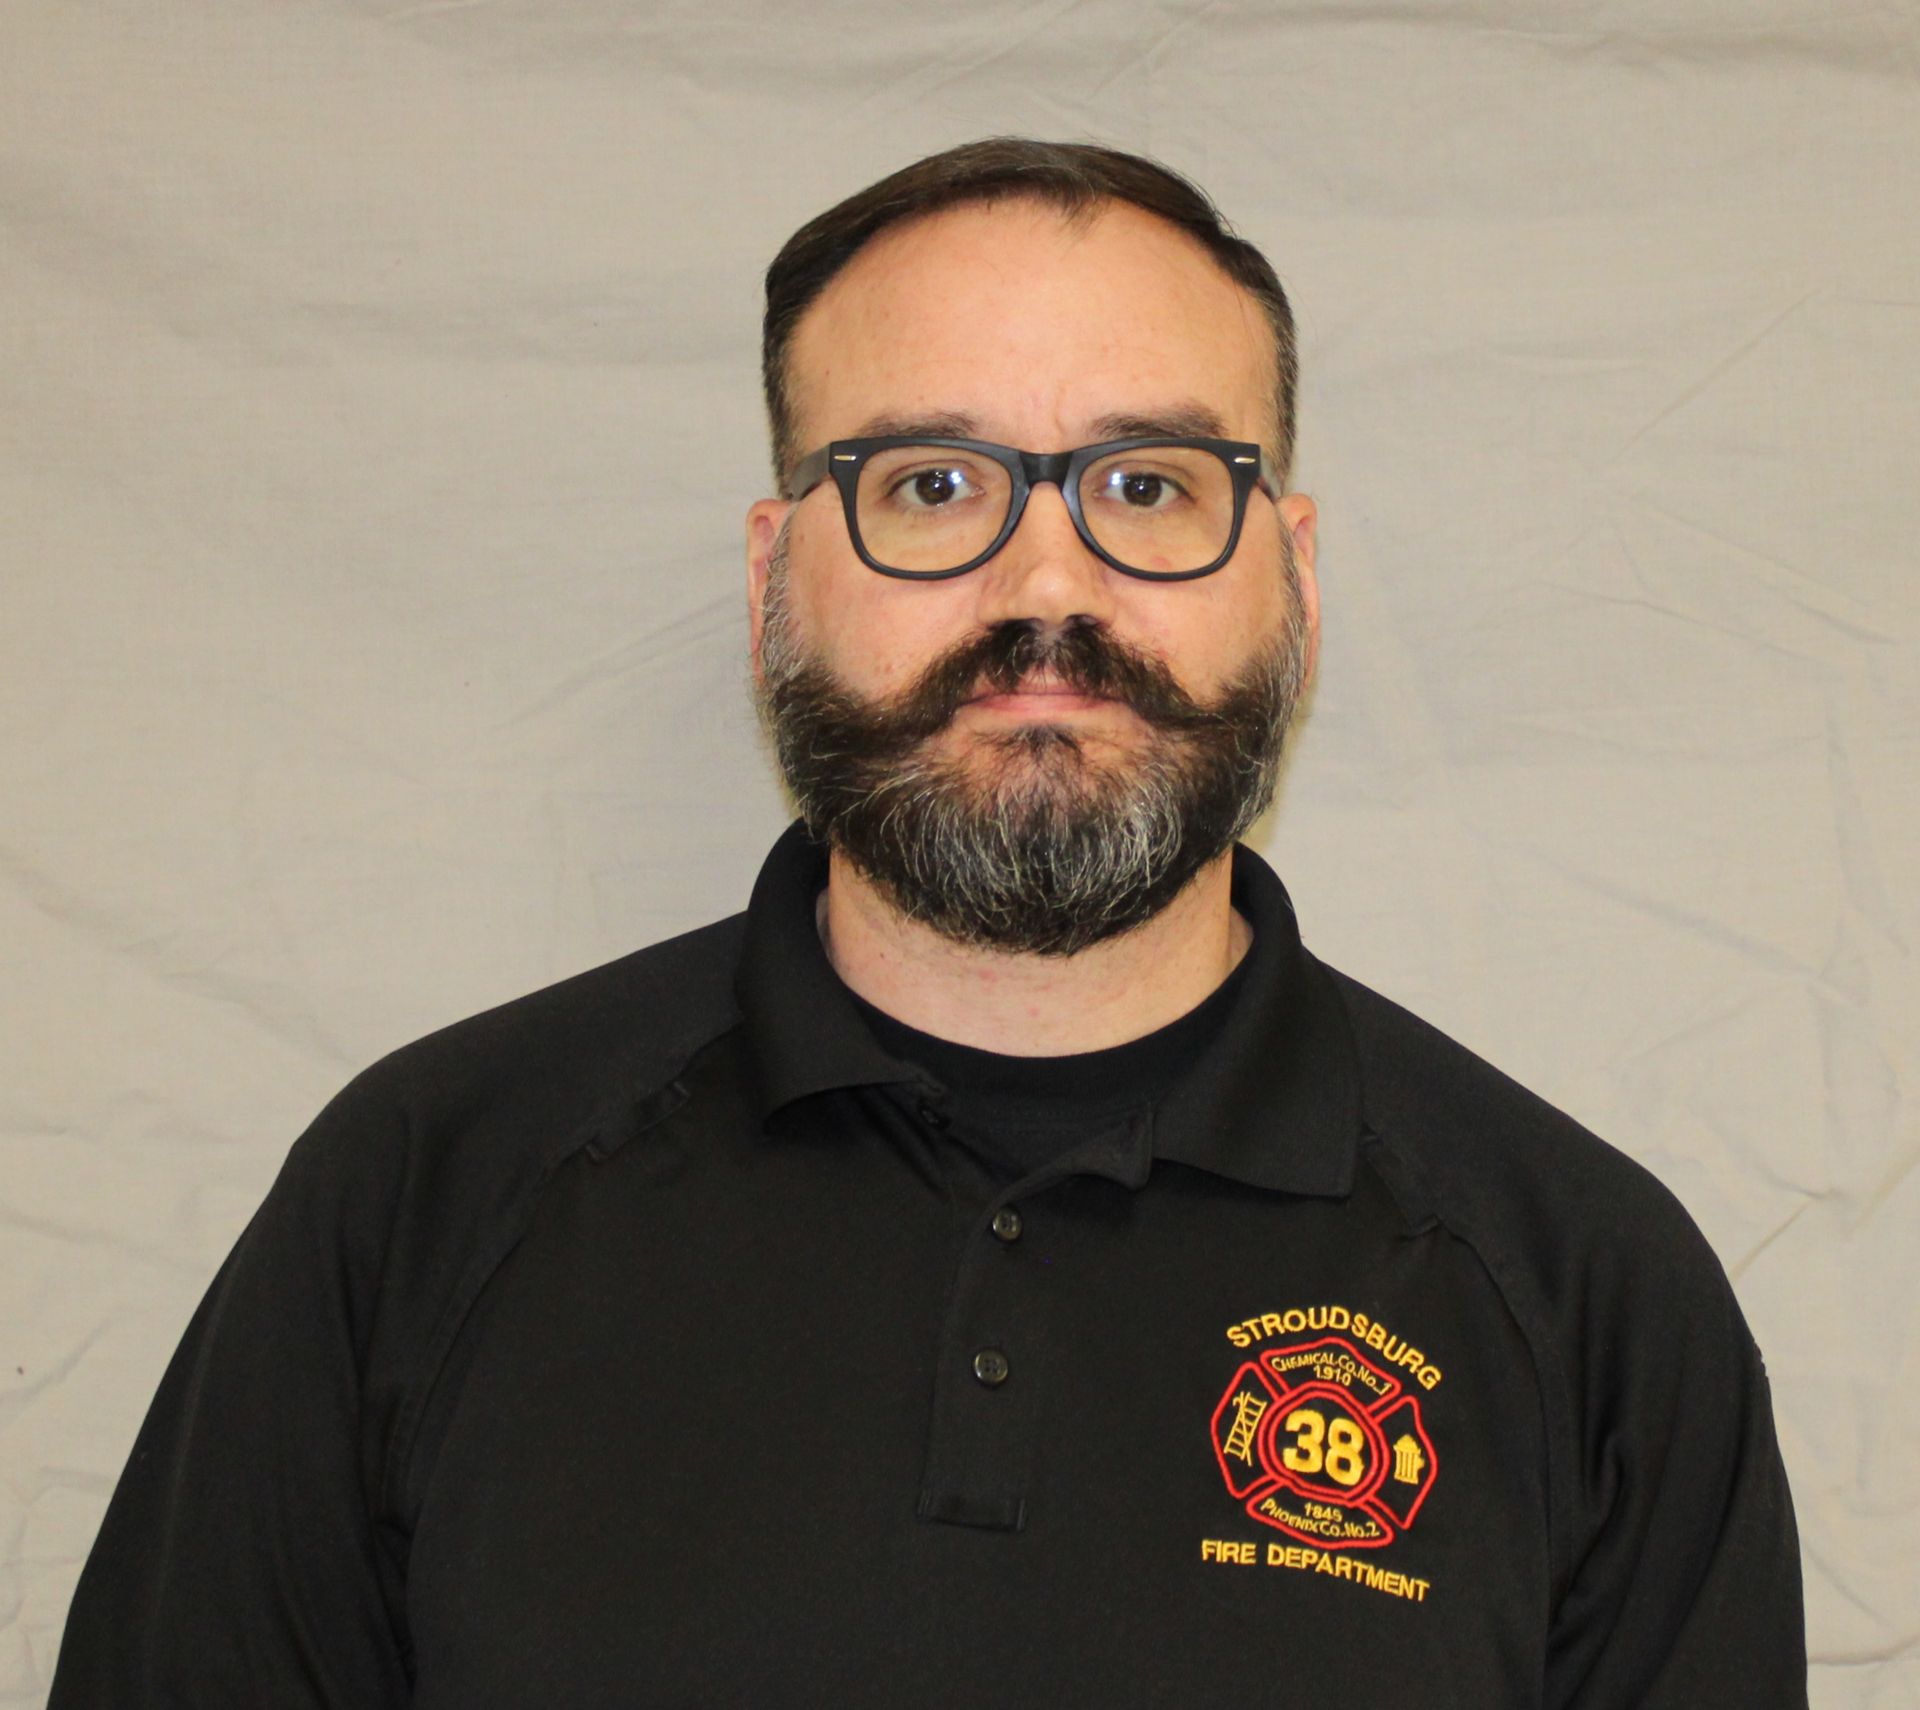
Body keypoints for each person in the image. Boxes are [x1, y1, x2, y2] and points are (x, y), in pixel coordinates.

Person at [49, 138, 1805, 1708]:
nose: (1049, 589)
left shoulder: (1586, 1292)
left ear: (1296, 572)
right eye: (933, 486)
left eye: (1147, 487)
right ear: (769, 580)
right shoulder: (421, 1197)